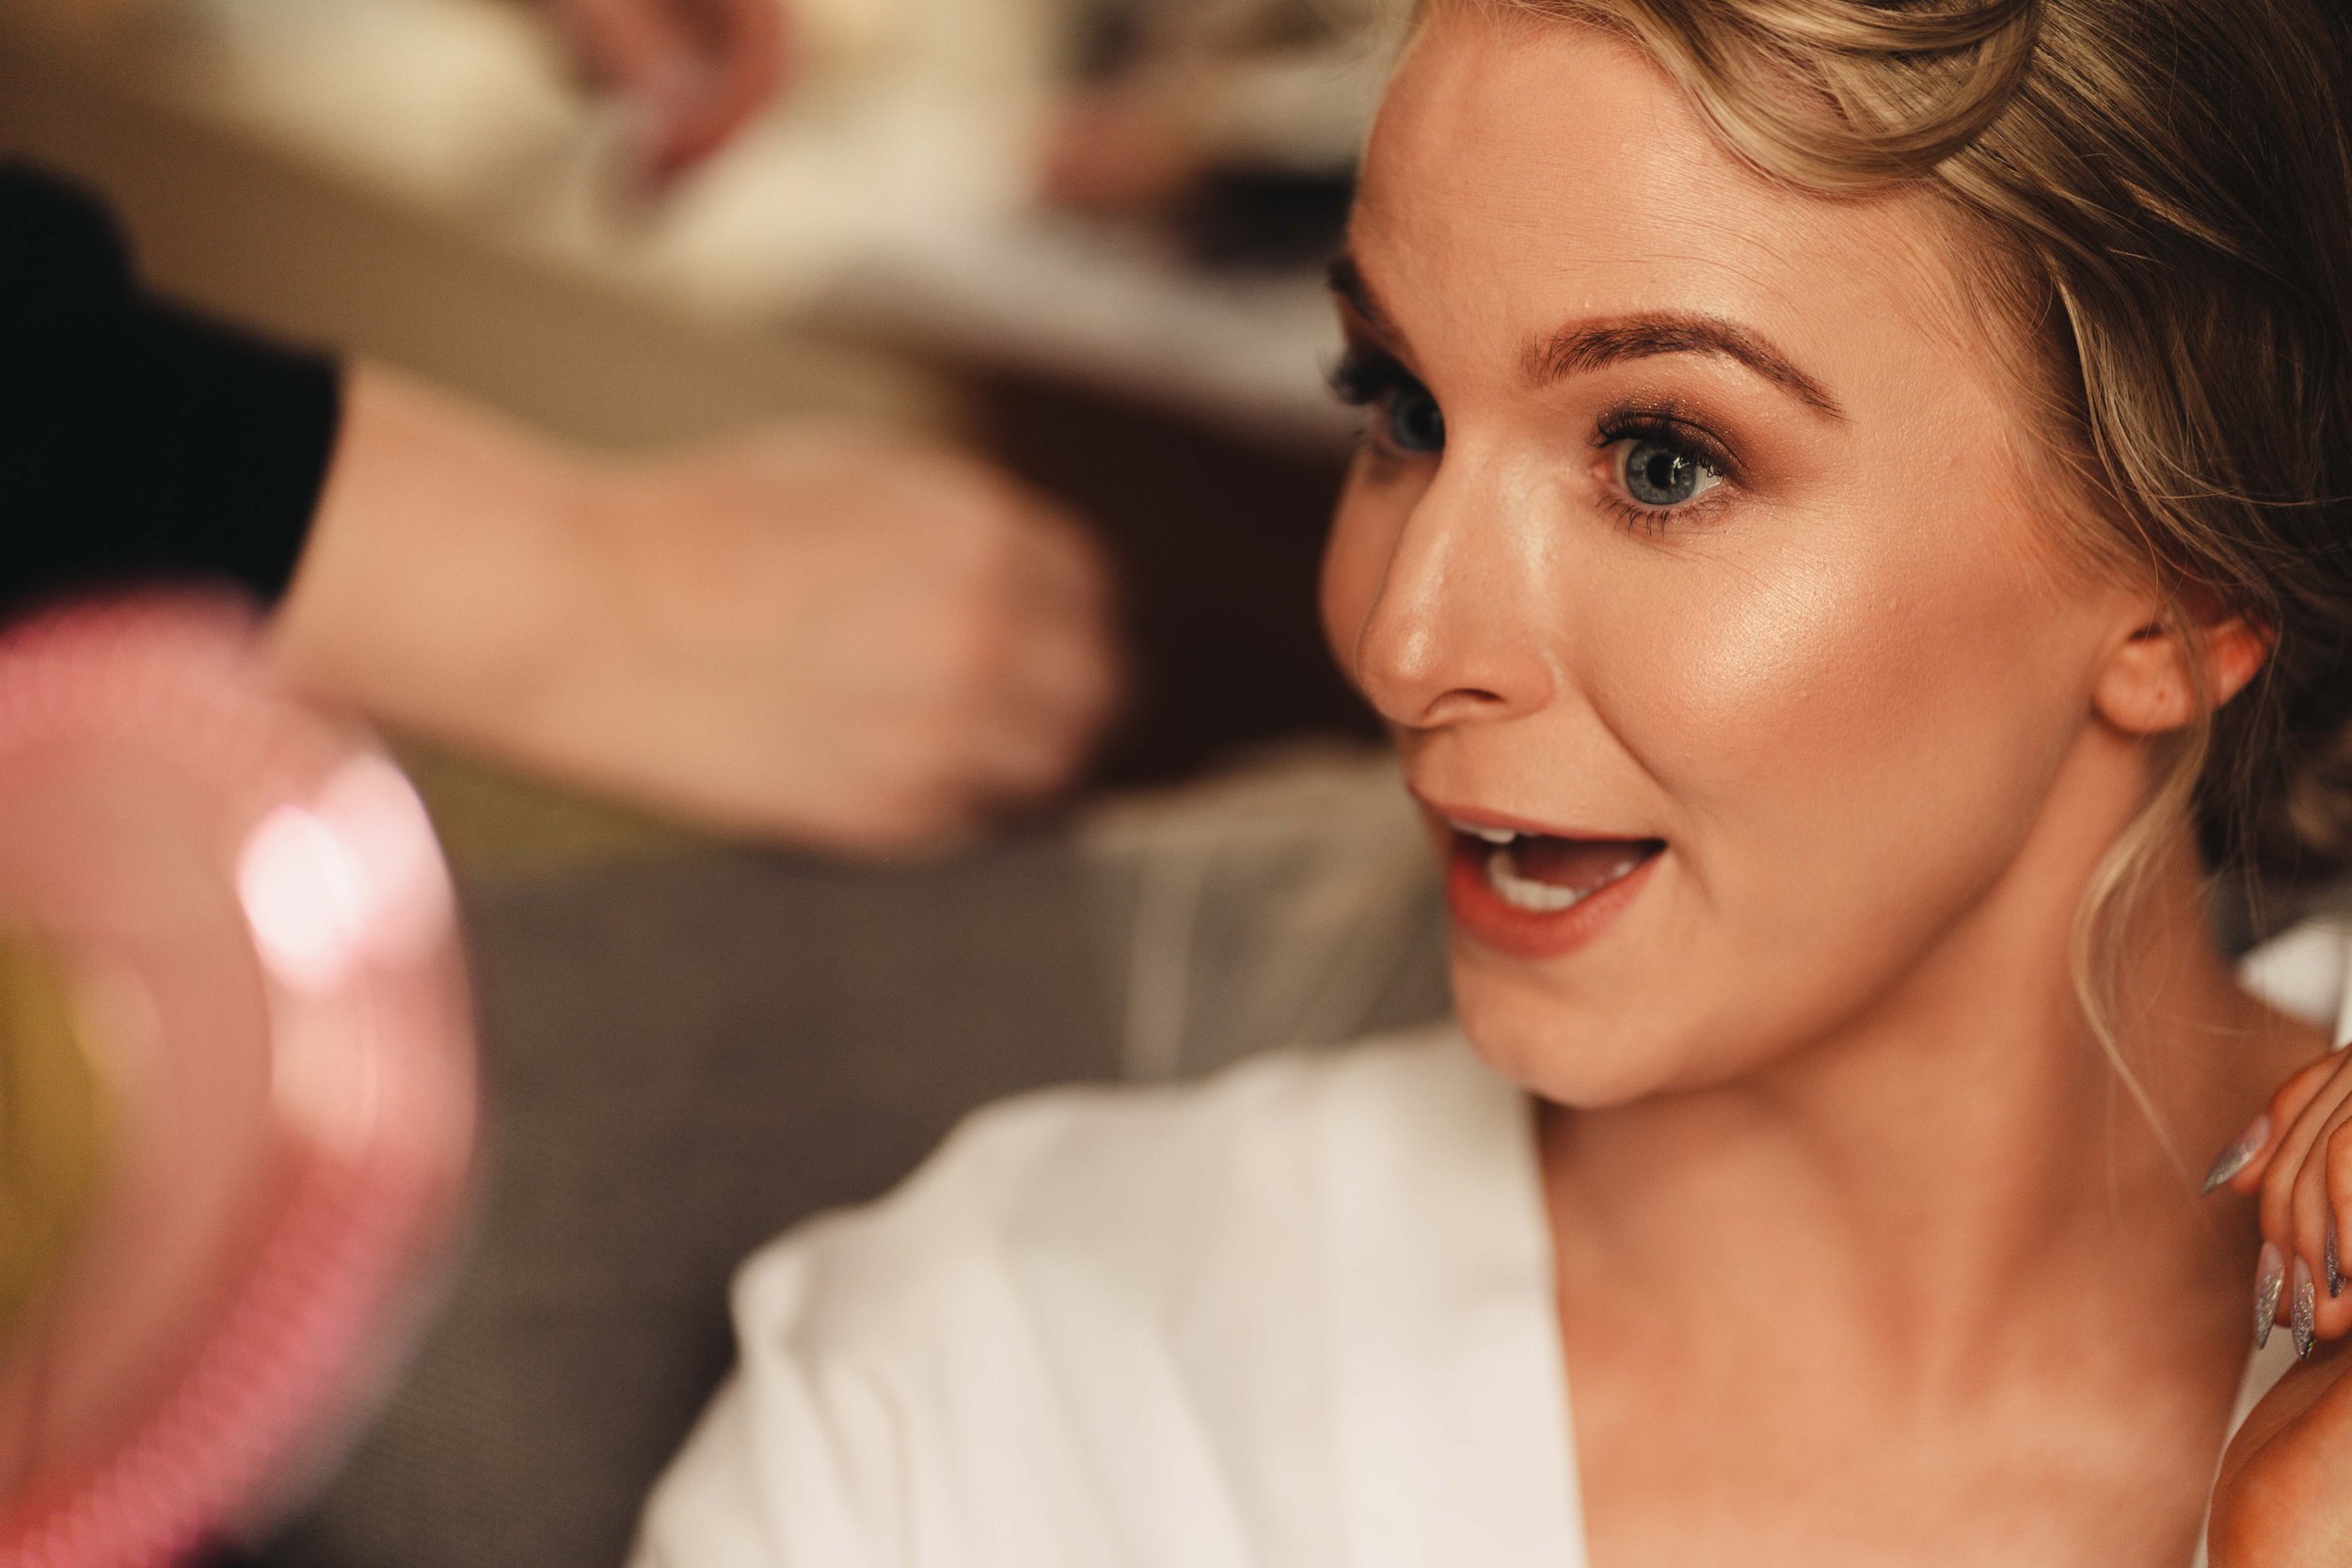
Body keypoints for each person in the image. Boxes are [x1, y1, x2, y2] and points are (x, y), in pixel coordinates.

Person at [627, 0, 2352, 1563]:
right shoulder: (989, 1397)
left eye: (1660, 460)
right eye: (1399, 407)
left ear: (2190, 594)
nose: (1398, 638)